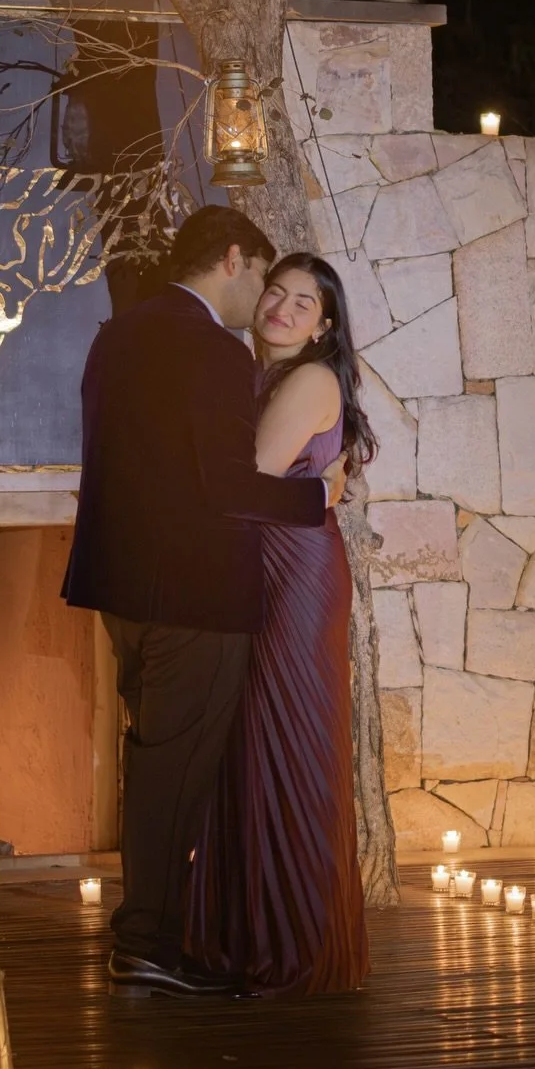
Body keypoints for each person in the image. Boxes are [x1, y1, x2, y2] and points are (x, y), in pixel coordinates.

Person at [64, 207, 347, 999]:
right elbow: (226, 487)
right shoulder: (216, 352)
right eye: (263, 278)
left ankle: (151, 933)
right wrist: (318, 498)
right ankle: (149, 941)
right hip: (195, 591)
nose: (263, 300)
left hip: (120, 586)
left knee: (151, 757)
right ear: (235, 258)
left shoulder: (116, 335)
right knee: (175, 770)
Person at [186, 253, 374, 995]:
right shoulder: (260, 372)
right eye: (277, 292)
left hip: (291, 576)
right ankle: (248, 932)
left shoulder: (308, 378)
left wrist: (323, 493)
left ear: (325, 325)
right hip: (271, 566)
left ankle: (286, 942)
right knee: (252, 742)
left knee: (282, 738)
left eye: (306, 302)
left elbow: (251, 479)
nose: (285, 308)